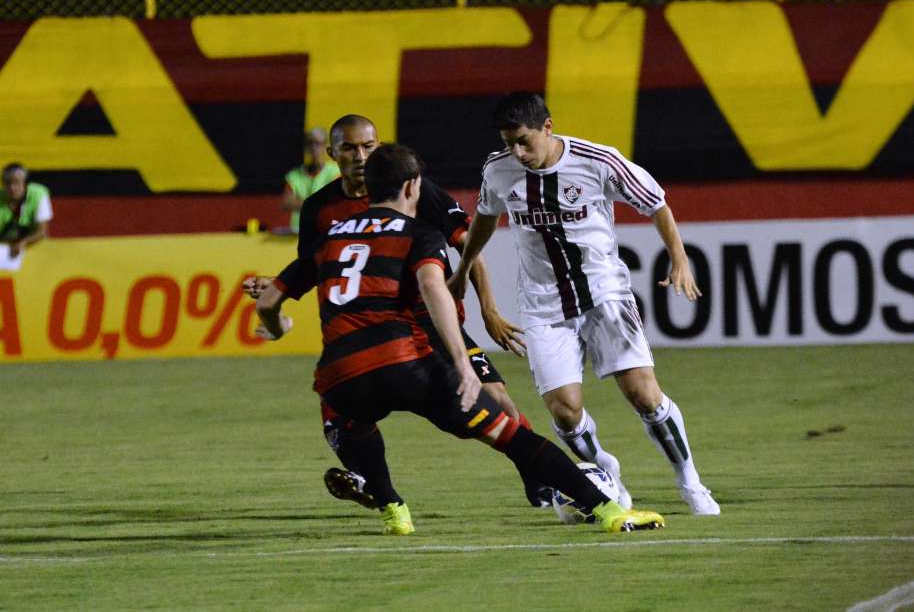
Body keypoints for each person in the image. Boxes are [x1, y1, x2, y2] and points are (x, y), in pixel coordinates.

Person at [254, 143, 665, 534]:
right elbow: (435, 289)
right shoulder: (418, 234)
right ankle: (610, 511)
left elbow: (269, 300)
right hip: (409, 365)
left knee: (343, 419)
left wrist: (278, 329)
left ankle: (392, 508)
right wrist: (462, 363)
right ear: (413, 186)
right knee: (512, 435)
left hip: (343, 374)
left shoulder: (329, 236)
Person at [244, 114, 551, 509]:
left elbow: (469, 248)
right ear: (333, 154)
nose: (360, 155)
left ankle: (536, 476)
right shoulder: (319, 207)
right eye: (350, 148)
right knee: (344, 410)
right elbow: (318, 268)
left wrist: (488, 310)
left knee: (497, 401)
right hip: (374, 332)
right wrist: (277, 284)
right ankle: (372, 482)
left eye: (368, 146)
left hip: (431, 324)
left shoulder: (413, 190)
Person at [450, 92, 721, 515]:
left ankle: (691, 483)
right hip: (543, 306)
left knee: (645, 395)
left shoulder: (598, 161)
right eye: (509, 143)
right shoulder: (498, 169)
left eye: (524, 141)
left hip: (604, 295)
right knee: (564, 412)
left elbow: (656, 202)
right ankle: (605, 471)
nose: (517, 152)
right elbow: (486, 215)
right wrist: (463, 269)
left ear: (547, 128)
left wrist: (679, 258)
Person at [281, 127, 340, 232]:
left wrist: (302, 203)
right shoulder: (294, 175)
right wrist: (319, 203)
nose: (314, 148)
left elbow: (336, 201)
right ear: (306, 147)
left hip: (327, 230)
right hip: (299, 232)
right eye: (310, 143)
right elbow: (287, 202)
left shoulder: (336, 172)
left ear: (326, 147)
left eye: (318, 144)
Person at [1, 163, 52, 271]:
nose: (12, 188)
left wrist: (23, 243)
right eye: (7, 183)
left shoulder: (38, 194)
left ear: (25, 183)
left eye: (16, 182)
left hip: (32, 251)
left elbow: (42, 232)